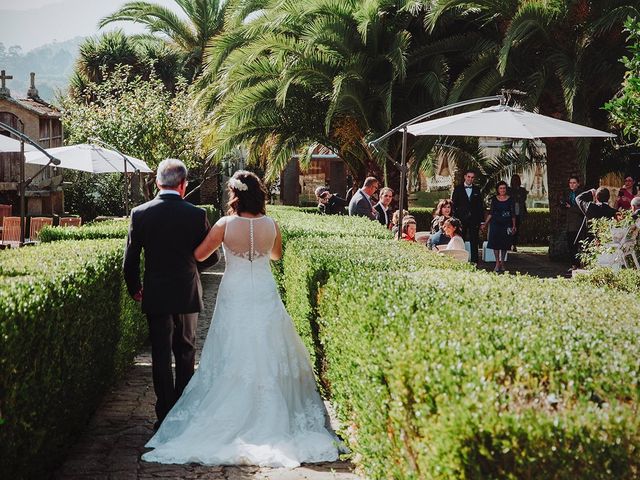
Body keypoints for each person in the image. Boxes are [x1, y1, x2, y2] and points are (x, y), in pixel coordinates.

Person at [141, 170, 340, 467]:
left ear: (234, 194)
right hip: (262, 289)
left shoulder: (224, 224)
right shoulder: (271, 224)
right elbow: (275, 256)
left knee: (232, 344)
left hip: (234, 291)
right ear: (258, 193)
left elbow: (199, 255)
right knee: (268, 343)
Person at [123, 158, 219, 431]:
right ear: (183, 184)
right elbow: (211, 258)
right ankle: (183, 412)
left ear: (157, 182)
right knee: (186, 351)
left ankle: (164, 413)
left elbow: (130, 260)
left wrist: (134, 288)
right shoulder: (196, 214)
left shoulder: (140, 213)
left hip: (156, 293)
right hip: (187, 292)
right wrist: (192, 267)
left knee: (161, 355)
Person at [451, 169, 484, 263]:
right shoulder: (458, 189)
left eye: (472, 177)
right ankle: (460, 260)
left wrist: (482, 221)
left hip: (474, 220)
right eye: (468, 177)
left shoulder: (477, 189)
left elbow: (480, 206)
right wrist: (454, 220)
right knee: (460, 239)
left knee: (474, 241)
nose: (470, 179)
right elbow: (454, 205)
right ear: (465, 177)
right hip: (461, 220)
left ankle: (475, 262)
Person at [483, 181, 516, 273]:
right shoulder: (494, 199)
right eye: (500, 188)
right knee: (495, 244)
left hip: (506, 223)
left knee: (504, 244)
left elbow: (513, 213)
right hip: (495, 223)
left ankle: (502, 262)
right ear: (498, 189)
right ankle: (497, 263)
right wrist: (485, 223)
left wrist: (514, 225)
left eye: (504, 188)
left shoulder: (511, 199)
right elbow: (491, 213)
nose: (502, 190)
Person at [559, 176, 584, 270]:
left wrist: (570, 207)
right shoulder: (568, 194)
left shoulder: (581, 194)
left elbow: (582, 209)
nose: (572, 185)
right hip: (569, 223)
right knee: (570, 245)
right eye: (570, 183)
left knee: (577, 245)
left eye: (574, 183)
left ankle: (579, 264)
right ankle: (573, 264)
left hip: (577, 223)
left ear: (578, 183)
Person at [508, 174, 528, 252]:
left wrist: (517, 198)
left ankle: (514, 244)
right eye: (514, 180)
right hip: (511, 212)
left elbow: (522, 199)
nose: (515, 181)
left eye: (517, 180)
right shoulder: (509, 190)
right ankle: (509, 243)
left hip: (519, 212)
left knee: (516, 229)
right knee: (509, 228)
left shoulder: (522, 190)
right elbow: (511, 199)